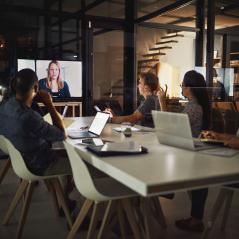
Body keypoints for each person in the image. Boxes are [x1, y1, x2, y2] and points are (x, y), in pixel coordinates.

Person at [0, 68, 71, 176]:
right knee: (79, 160)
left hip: (21, 161)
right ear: (36, 88)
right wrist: (49, 103)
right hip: (40, 165)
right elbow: (62, 135)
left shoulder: (5, 107)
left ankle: (66, 188)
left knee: (66, 152)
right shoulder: (29, 116)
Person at [174, 70, 211, 232]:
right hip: (192, 153)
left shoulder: (194, 108)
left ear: (189, 88)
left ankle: (196, 219)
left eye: (182, 85)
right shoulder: (194, 105)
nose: (182, 88)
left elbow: (174, 128)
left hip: (192, 155)